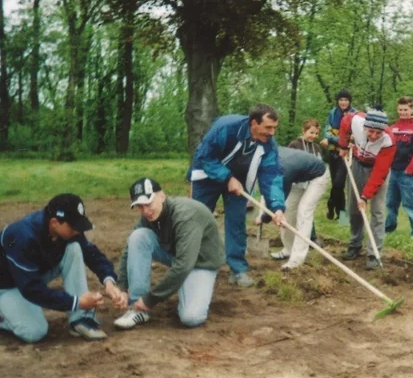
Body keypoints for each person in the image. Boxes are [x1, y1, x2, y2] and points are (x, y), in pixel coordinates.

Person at [0, 193, 127, 343]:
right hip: (8, 286)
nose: (78, 231)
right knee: (35, 332)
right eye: (74, 226)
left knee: (75, 247)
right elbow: (31, 289)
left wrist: (109, 282)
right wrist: (77, 302)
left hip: (33, 275)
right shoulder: (21, 236)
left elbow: (92, 254)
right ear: (54, 222)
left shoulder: (67, 230)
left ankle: (81, 319)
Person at [189, 104, 286, 287]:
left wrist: (277, 207)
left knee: (237, 221)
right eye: (268, 127)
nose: (272, 133)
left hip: (240, 181)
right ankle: (192, 263)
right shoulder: (226, 128)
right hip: (207, 175)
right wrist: (227, 178)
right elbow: (206, 157)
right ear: (254, 123)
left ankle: (238, 269)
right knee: (197, 219)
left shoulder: (269, 145)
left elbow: (271, 176)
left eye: (274, 128)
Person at [113, 178, 225, 330]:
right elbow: (129, 249)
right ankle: (137, 309)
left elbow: (184, 265)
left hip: (201, 263)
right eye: (140, 206)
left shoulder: (186, 215)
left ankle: (186, 286)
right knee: (138, 237)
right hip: (177, 255)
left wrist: (150, 299)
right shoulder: (149, 215)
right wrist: (121, 287)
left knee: (191, 318)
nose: (145, 210)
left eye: (148, 203)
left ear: (162, 196)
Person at [338, 108, 397, 270]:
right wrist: (343, 145)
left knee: (377, 211)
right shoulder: (356, 121)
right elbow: (344, 122)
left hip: (377, 168)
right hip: (357, 163)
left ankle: (373, 253)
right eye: (371, 131)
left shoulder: (388, 141)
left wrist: (365, 196)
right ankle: (355, 244)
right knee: (353, 207)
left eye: (378, 132)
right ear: (365, 127)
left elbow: (380, 173)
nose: (374, 136)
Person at [267, 126, 330, 269]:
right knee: (288, 211)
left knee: (304, 212)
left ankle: (297, 259)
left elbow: (282, 190)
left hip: (317, 176)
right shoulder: (271, 159)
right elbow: (270, 189)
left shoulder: (283, 165)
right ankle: (288, 249)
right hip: (299, 177)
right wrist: (265, 213)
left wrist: (267, 215)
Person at [385, 96, 413, 238]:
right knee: (390, 202)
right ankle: (388, 229)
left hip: (407, 173)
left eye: (406, 109)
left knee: (411, 203)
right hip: (392, 172)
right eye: (400, 110)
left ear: (412, 109)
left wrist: (412, 168)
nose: (403, 112)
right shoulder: (392, 128)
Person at [322, 89, 356, 221]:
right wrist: (340, 139)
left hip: (346, 153)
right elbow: (327, 132)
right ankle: (338, 212)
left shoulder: (354, 114)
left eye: (346, 100)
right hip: (333, 152)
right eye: (341, 100)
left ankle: (333, 206)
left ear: (349, 101)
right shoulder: (332, 113)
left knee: (338, 183)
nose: (343, 102)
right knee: (336, 185)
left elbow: (354, 135)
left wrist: (338, 139)